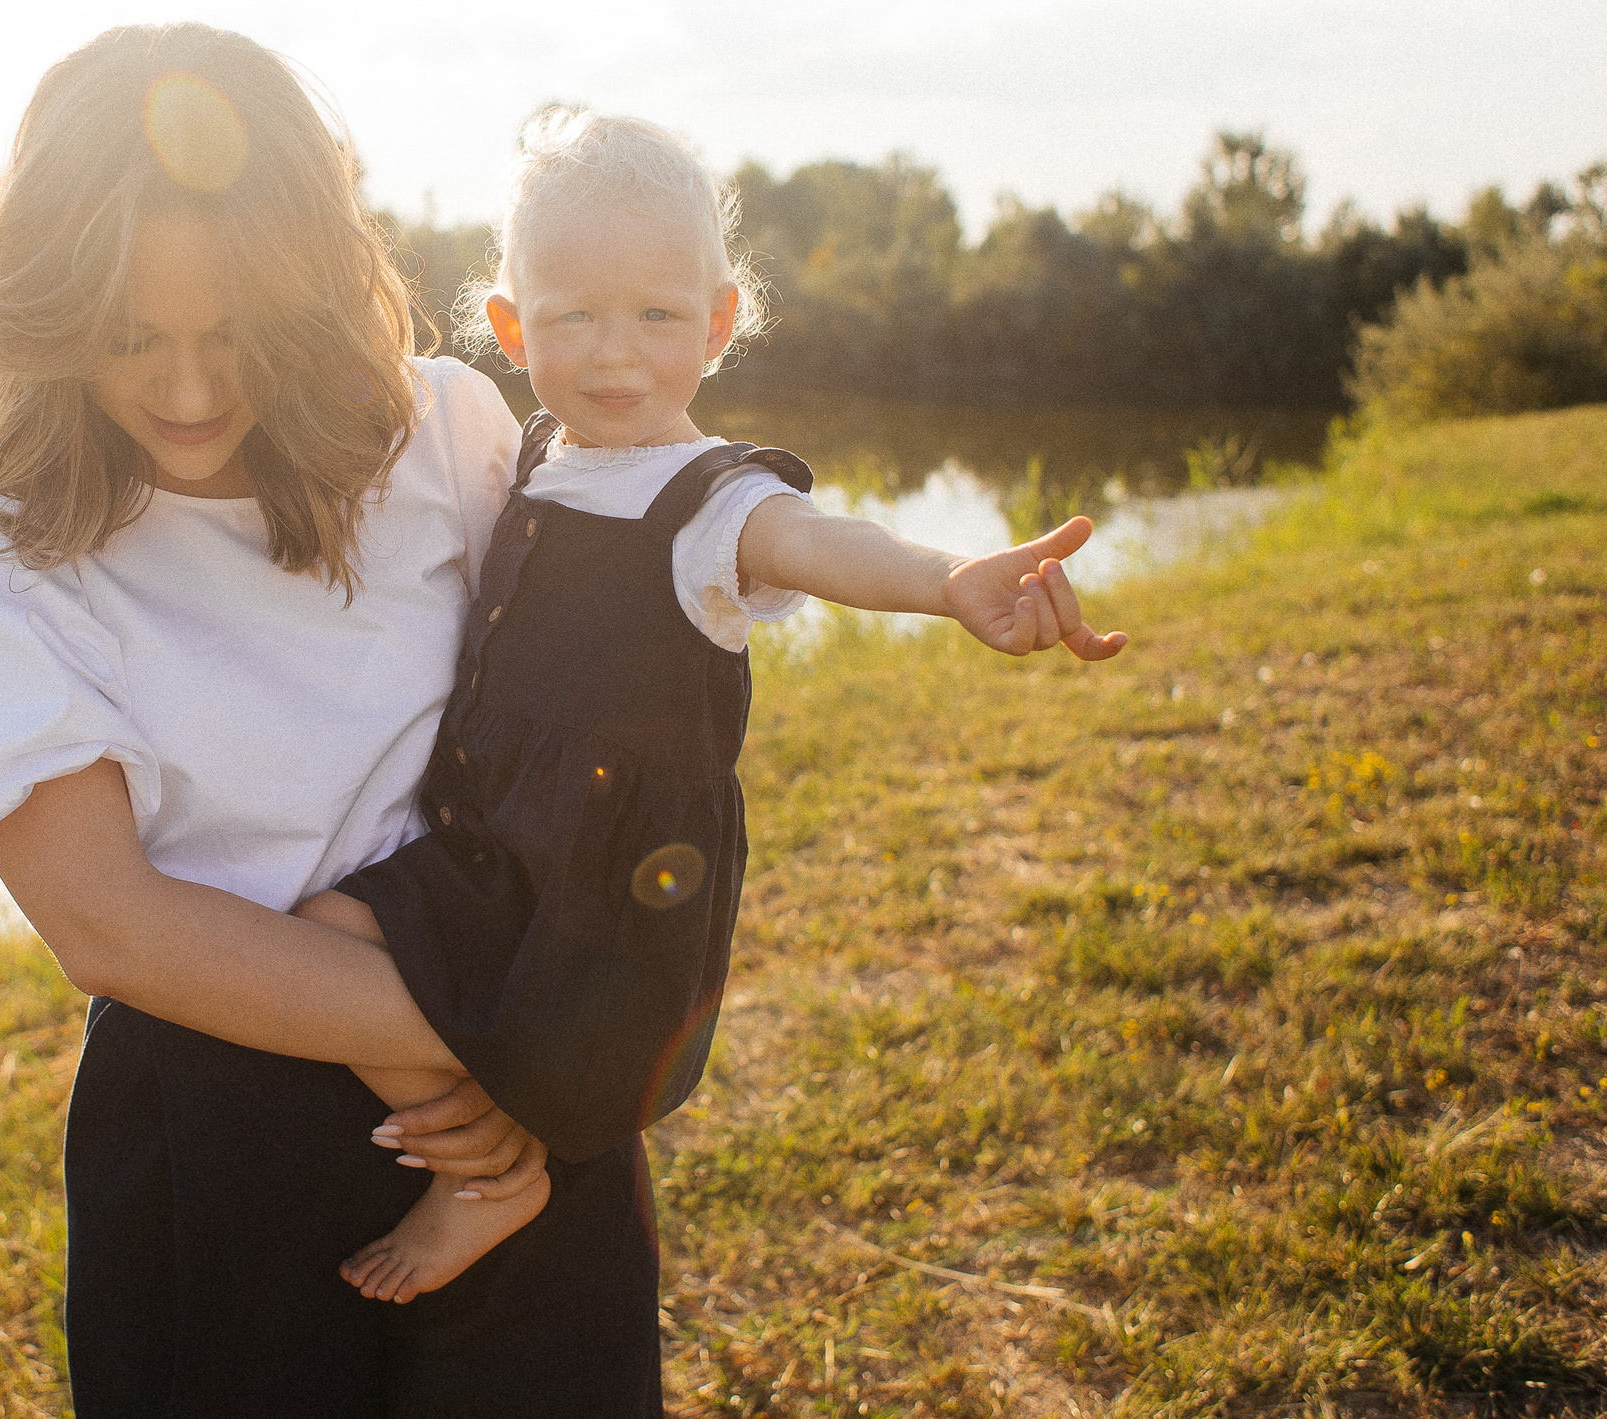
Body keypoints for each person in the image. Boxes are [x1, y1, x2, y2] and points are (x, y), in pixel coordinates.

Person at [0, 24, 664, 1417]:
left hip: (513, 1072)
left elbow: (592, 725)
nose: (184, 392)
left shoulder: (442, 431)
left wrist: (535, 1060)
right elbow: (108, 918)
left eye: (234, 334)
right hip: (226, 1116)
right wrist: (468, 1050)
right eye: (128, 337)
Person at [298, 108, 1129, 1305]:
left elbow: (816, 541)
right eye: (573, 317)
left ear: (719, 323)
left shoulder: (713, 502)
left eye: (656, 316)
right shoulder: (534, 455)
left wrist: (946, 581)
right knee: (330, 931)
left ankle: (486, 1178)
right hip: (496, 845)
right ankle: (473, 1141)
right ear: (511, 327)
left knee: (464, 1011)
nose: (614, 354)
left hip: (606, 878)